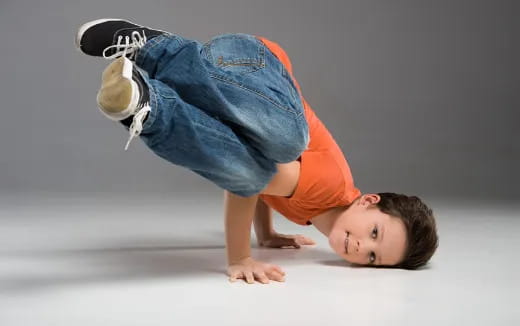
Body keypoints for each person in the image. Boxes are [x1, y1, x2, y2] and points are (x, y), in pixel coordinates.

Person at [75, 18, 439, 284]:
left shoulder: (316, 210)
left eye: (373, 258)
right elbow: (245, 182)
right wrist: (241, 257)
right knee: (281, 148)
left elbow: (255, 171)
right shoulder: (329, 187)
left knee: (260, 160)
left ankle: (145, 103)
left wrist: (265, 234)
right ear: (368, 201)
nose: (360, 247)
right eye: (374, 234)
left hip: (229, 85)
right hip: (253, 61)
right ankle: (156, 49)